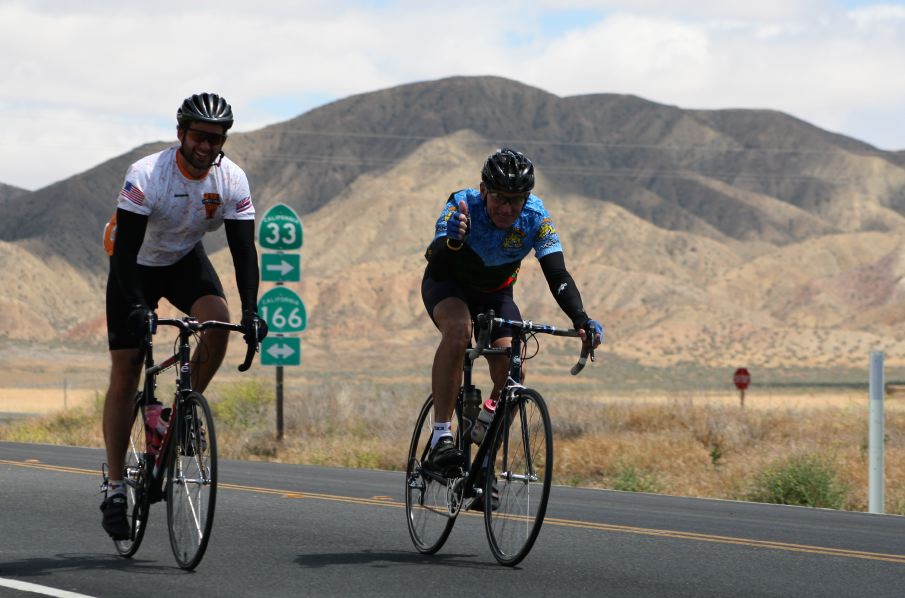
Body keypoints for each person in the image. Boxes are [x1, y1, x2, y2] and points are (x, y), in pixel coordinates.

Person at [99, 92, 266, 540]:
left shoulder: (230, 179)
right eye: (200, 136)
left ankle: (179, 415)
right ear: (181, 134)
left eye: (217, 138)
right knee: (127, 369)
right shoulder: (147, 175)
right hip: (133, 265)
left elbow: (243, 252)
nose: (208, 146)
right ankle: (115, 486)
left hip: (182, 261)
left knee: (219, 321)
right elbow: (125, 253)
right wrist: (137, 306)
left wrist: (252, 311)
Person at [421, 147, 604, 490]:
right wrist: (454, 242)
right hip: (449, 285)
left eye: (515, 200)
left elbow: (558, 274)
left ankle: (484, 461)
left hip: (496, 294)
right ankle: (441, 438)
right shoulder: (461, 206)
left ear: (526, 198)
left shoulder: (536, 217)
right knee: (459, 331)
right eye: (500, 198)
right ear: (483, 190)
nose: (507, 208)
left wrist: (580, 317)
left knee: (514, 368)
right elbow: (436, 263)